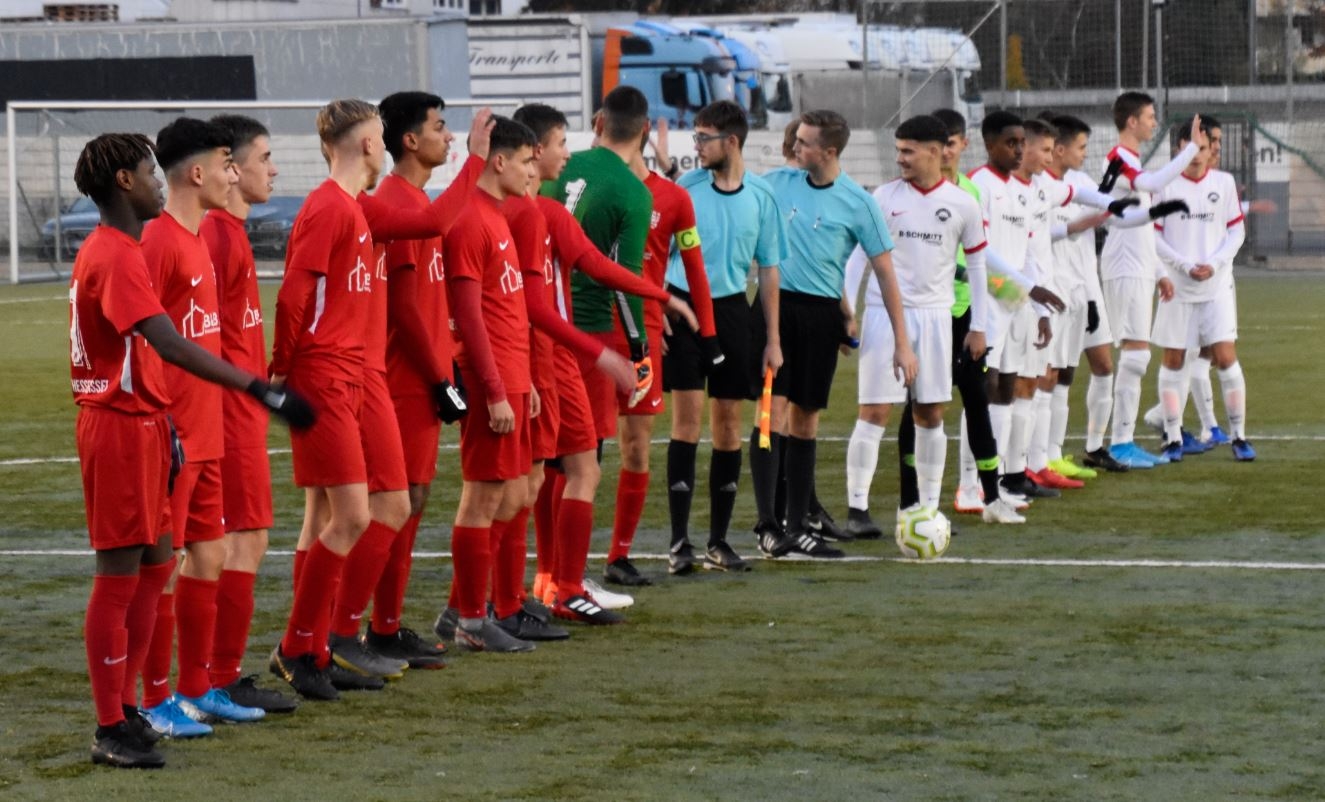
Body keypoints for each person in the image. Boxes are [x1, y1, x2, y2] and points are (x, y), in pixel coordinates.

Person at [71, 132, 311, 768]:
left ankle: (133, 708)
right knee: (119, 577)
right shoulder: (116, 253)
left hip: (149, 424)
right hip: (118, 426)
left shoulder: (124, 247)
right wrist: (256, 387)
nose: (159, 182)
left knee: (156, 566)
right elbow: (168, 342)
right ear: (124, 182)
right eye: (149, 172)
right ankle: (110, 725)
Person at [138, 118, 268, 735]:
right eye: (225, 163)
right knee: (162, 565)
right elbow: (141, 340)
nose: (233, 174)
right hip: (174, 434)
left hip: (209, 428)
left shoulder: (198, 239)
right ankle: (153, 699)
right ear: (197, 173)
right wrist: (161, 421)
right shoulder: (160, 241)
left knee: (210, 553)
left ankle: (197, 688)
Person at [268, 99, 388, 700]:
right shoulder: (328, 207)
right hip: (322, 375)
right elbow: (294, 294)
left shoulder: (350, 208)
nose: (383, 146)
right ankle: (296, 648)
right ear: (366, 144)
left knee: (325, 515)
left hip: (345, 373)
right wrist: (282, 371)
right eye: (381, 137)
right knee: (353, 517)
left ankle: (313, 648)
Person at [760, 110, 915, 559]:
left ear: (829, 151)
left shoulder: (859, 203)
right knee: (771, 415)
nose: (795, 147)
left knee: (806, 421)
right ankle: (768, 527)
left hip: (821, 317)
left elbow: (885, 274)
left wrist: (899, 341)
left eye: (804, 142)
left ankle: (798, 527)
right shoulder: (776, 184)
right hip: (776, 311)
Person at [843, 114, 996, 525]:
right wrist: (847, 308)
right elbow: (858, 258)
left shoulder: (964, 203)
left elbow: (977, 267)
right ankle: (858, 509)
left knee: (930, 414)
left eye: (907, 151)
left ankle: (926, 509)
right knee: (874, 411)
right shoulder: (882, 198)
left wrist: (979, 326)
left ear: (934, 151)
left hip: (936, 318)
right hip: (882, 315)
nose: (900, 159)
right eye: (898, 150)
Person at [199, 114, 299, 712]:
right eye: (264, 157)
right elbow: (192, 337)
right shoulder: (214, 235)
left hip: (241, 410)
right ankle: (216, 677)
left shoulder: (230, 232)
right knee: (243, 539)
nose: (274, 169)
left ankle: (211, 676)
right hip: (227, 413)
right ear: (230, 168)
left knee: (234, 541)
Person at [663, 100, 785, 573]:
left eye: (703, 138)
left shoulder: (762, 197)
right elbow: (655, 253)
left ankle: (718, 541)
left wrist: (772, 339)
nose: (696, 145)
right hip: (684, 311)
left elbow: (769, 270)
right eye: (695, 136)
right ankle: (679, 543)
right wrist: (659, 307)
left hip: (733, 314)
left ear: (731, 142)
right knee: (686, 424)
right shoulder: (685, 189)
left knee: (729, 427)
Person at [608, 115, 718, 584]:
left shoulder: (673, 198)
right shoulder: (587, 188)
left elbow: (694, 268)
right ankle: (557, 571)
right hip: (589, 332)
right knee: (575, 453)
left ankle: (618, 556)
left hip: (645, 336)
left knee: (636, 447)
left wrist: (708, 334)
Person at [965, 112, 1066, 509]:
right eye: (1011, 143)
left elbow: (1026, 255)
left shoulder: (1021, 190)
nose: (1019, 149)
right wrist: (1028, 287)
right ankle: (968, 485)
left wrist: (1040, 308)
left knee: (1006, 389)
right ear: (989, 144)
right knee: (982, 391)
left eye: (1022, 142)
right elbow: (980, 251)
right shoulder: (979, 184)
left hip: (1014, 301)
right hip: (986, 298)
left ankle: (997, 482)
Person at [1098, 92, 1202, 467]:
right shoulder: (1118, 158)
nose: (1154, 123)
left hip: (1139, 267)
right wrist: (1191, 150)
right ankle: (1118, 443)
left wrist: (1159, 271)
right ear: (1132, 121)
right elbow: (1154, 183)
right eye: (1150, 116)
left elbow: (1140, 226)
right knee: (1133, 355)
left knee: (1137, 355)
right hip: (1124, 266)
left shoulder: (1131, 159)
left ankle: (1122, 440)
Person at [1150, 122, 1253, 461]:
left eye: (1204, 147)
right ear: (1179, 149)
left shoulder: (1223, 183)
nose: (1198, 154)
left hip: (1216, 286)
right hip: (1177, 289)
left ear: (1211, 150)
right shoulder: (1164, 186)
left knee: (1225, 357)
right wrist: (1183, 265)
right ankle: (1173, 438)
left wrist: (1215, 263)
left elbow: (1236, 232)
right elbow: (1153, 235)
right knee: (1173, 359)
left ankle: (1239, 436)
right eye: (1190, 147)